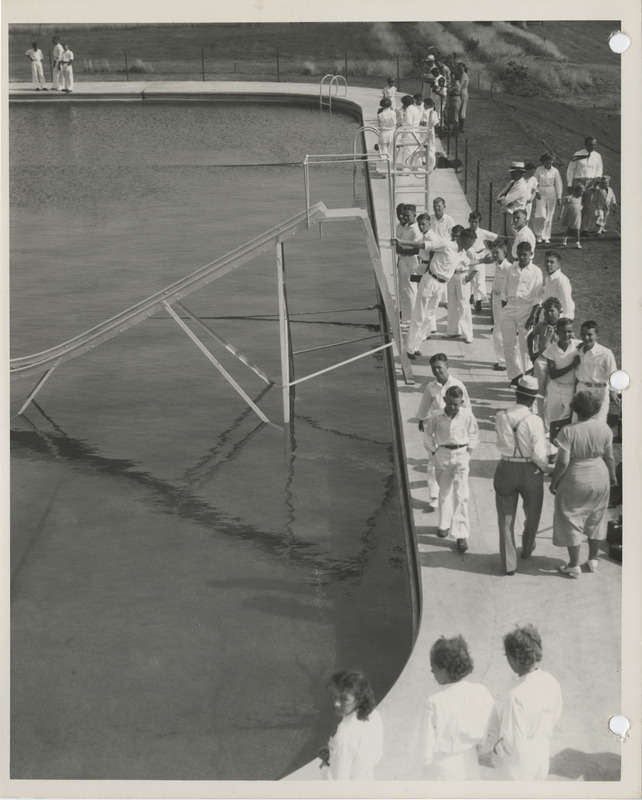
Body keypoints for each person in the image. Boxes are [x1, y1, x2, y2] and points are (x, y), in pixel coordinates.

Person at [550, 391, 618, 578]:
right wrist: (612, 476)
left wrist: (554, 482)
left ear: (575, 408)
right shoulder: (604, 429)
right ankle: (593, 559)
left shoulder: (568, 431)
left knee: (571, 517)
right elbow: (609, 457)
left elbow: (563, 462)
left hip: (575, 476)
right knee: (596, 516)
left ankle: (573, 564)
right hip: (600, 473)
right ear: (596, 409)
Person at [493, 376, 553, 575]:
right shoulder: (535, 420)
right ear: (533, 399)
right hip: (530, 470)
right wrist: (546, 469)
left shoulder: (501, 416)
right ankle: (527, 549)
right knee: (533, 513)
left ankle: (508, 564)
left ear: (516, 394)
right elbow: (538, 454)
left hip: (506, 468)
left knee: (505, 519)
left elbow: (500, 443)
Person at [488, 625, 562, 779]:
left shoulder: (516, 695)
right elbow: (555, 714)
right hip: (542, 751)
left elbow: (513, 746)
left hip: (520, 765)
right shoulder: (551, 681)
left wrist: (497, 749)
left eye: (507, 656)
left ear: (515, 659)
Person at [415, 636, 494, 779]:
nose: (431, 672)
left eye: (434, 668)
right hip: (471, 767)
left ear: (444, 669)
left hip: (441, 771)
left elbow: (423, 751)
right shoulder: (481, 692)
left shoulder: (433, 703)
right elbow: (493, 732)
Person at [403, 227, 478, 357]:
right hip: (430, 281)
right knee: (419, 315)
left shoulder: (461, 253)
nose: (471, 246)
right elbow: (424, 245)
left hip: (441, 285)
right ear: (465, 240)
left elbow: (469, 262)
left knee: (428, 317)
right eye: (471, 243)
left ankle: (415, 346)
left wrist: (484, 261)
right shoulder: (447, 244)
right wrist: (402, 242)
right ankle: (409, 349)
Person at [423, 386, 479, 551]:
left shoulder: (467, 414)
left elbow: (474, 434)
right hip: (443, 454)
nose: (453, 407)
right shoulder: (436, 416)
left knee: (462, 495)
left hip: (461, 454)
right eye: (450, 403)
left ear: (461, 402)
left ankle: (460, 535)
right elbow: (427, 435)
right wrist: (434, 452)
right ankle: (444, 524)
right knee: (444, 491)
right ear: (445, 400)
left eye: (456, 404)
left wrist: (469, 452)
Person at [417, 354, 471, 507]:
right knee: (432, 461)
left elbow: (467, 408)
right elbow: (425, 404)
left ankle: (448, 489)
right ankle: (434, 496)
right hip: (436, 428)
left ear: (448, 366)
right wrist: (421, 418)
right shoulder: (431, 387)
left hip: (454, 431)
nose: (436, 371)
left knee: (451, 464)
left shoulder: (458, 385)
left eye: (439, 367)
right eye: (433, 368)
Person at [317, 669, 384, 780]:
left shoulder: (345, 735)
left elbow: (337, 783)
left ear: (359, 699)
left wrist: (324, 766)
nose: (336, 703)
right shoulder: (373, 715)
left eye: (344, 699)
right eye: (334, 696)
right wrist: (335, 752)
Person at [500, 241, 543, 385]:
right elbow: (504, 291)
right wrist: (505, 309)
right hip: (510, 308)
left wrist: (533, 316)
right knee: (508, 344)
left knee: (525, 346)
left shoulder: (536, 271)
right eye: (519, 255)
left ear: (531, 254)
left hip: (526, 309)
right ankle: (515, 375)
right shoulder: (511, 269)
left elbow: (538, 297)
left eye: (525, 255)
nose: (522, 258)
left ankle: (528, 377)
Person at [575, 320, 618, 425]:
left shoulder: (606, 353)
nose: (586, 338)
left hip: (599, 392)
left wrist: (613, 393)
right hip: (582, 391)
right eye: (583, 334)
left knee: (597, 426)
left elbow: (613, 374)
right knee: (579, 425)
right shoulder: (577, 351)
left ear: (597, 335)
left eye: (590, 335)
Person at [543, 317, 581, 432]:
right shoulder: (551, 348)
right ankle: (552, 446)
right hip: (555, 388)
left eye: (569, 331)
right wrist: (572, 366)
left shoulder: (579, 345)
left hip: (570, 389)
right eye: (563, 332)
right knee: (552, 420)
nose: (566, 335)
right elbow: (553, 374)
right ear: (557, 332)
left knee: (569, 421)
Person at [526, 297, 562, 421]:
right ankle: (540, 419)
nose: (549, 314)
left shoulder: (563, 327)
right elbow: (530, 337)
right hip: (541, 361)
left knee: (552, 394)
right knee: (539, 393)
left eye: (552, 311)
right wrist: (532, 354)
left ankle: (549, 421)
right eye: (546, 312)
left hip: (556, 364)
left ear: (559, 311)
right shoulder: (541, 325)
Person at [446, 229, 478, 344]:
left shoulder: (469, 250)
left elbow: (477, 265)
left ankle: (468, 334)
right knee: (452, 304)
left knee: (464, 305)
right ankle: (453, 330)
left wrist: (470, 277)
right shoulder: (454, 247)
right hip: (452, 276)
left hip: (462, 276)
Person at [393, 203, 422, 327]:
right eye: (404, 216)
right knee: (403, 289)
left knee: (411, 290)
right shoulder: (405, 227)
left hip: (411, 261)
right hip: (403, 261)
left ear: (414, 215)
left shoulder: (416, 230)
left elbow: (418, 249)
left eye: (408, 216)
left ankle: (412, 318)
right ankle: (405, 317)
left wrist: (402, 250)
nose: (405, 218)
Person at [467, 211, 498, 313]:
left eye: (476, 222)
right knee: (470, 278)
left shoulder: (482, 232)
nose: (474, 224)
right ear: (469, 221)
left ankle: (479, 301)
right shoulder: (466, 232)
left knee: (480, 279)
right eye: (472, 221)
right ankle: (470, 296)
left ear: (479, 223)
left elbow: (495, 237)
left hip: (480, 255)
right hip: (469, 256)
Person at [532, 152, 563, 244]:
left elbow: (559, 184)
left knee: (549, 215)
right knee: (541, 215)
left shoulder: (555, 171)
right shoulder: (539, 170)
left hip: (551, 191)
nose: (548, 164)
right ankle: (538, 234)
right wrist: (536, 191)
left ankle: (546, 236)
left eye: (550, 162)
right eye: (547, 162)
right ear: (543, 162)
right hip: (541, 191)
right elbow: (534, 181)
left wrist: (559, 197)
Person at [490, 241, 511, 371]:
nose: (494, 255)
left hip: (504, 302)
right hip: (495, 299)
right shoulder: (497, 266)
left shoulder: (508, 268)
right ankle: (503, 360)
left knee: (498, 333)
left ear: (505, 253)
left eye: (497, 252)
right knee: (497, 331)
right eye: (493, 252)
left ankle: (503, 362)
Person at [538, 250, 575, 321]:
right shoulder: (548, 278)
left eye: (552, 262)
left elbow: (568, 306)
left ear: (558, 265)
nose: (548, 264)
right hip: (545, 318)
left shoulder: (562, 280)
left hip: (556, 321)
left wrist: (564, 324)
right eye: (546, 261)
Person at [497, 162, 530, 233]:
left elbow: (505, 201)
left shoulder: (521, 187)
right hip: (507, 214)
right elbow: (499, 196)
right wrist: (504, 200)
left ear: (520, 173)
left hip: (515, 216)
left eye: (514, 172)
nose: (511, 174)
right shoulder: (512, 182)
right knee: (505, 237)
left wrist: (503, 200)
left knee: (514, 238)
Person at [559, 183, 584, 249]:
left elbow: (580, 205)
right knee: (570, 229)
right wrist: (560, 214)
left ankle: (577, 243)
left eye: (583, 191)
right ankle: (565, 237)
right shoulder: (570, 198)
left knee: (577, 229)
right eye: (581, 191)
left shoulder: (580, 198)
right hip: (571, 216)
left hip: (578, 216)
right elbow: (563, 206)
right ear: (577, 191)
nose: (582, 193)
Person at [457, 63, 469, 131]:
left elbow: (460, 86)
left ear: (464, 68)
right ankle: (460, 126)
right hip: (460, 93)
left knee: (462, 110)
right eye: (458, 68)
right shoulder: (461, 75)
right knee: (460, 110)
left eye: (460, 68)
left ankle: (462, 127)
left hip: (463, 93)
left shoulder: (464, 75)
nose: (459, 69)